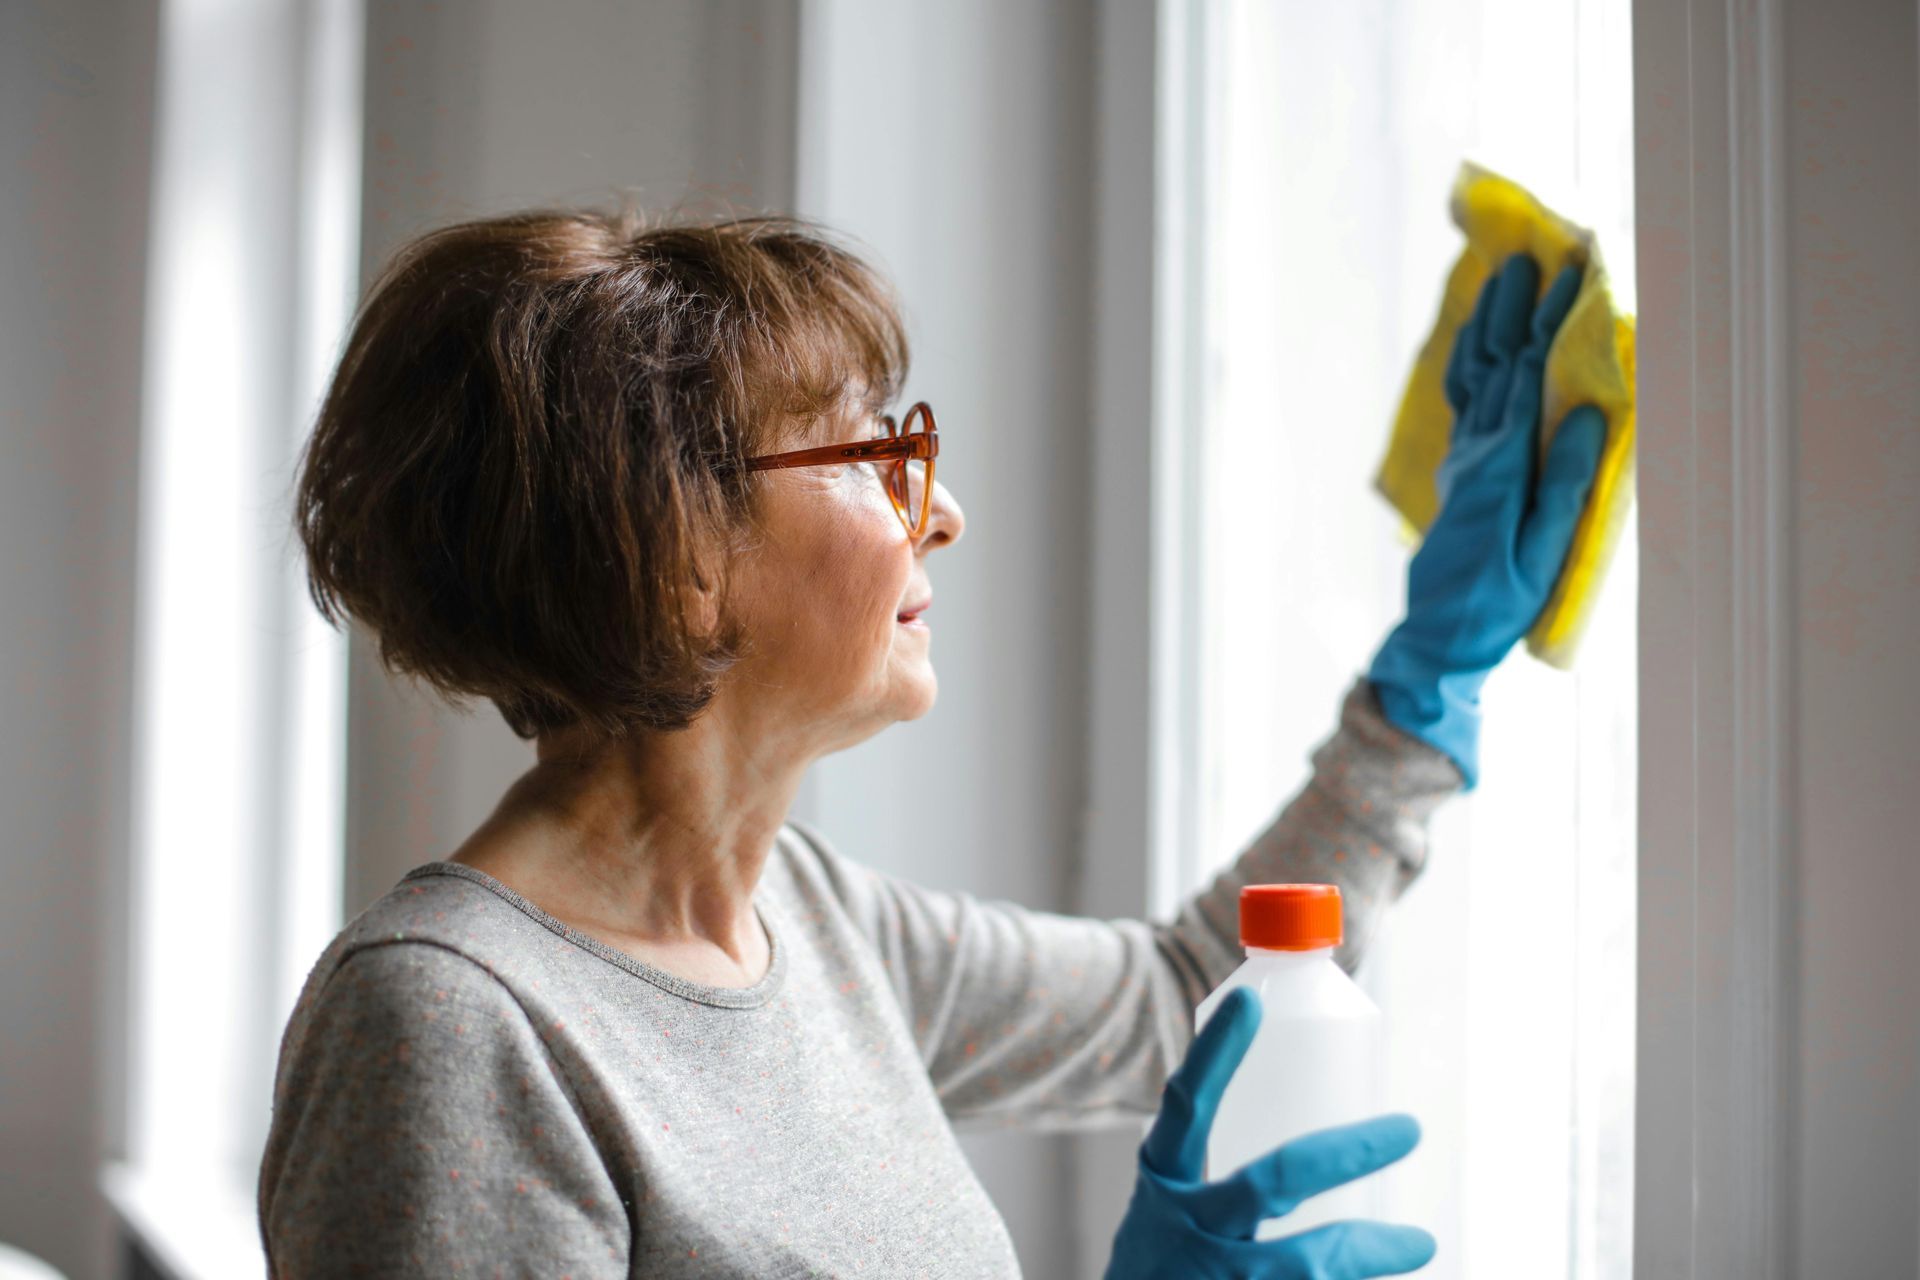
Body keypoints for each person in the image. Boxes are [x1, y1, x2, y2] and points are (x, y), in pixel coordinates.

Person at [258, 209, 1601, 1276]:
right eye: (867, 454)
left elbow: (1184, 996)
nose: (941, 510)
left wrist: (1425, 683)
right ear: (672, 552)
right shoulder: (451, 1027)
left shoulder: (816, 925)